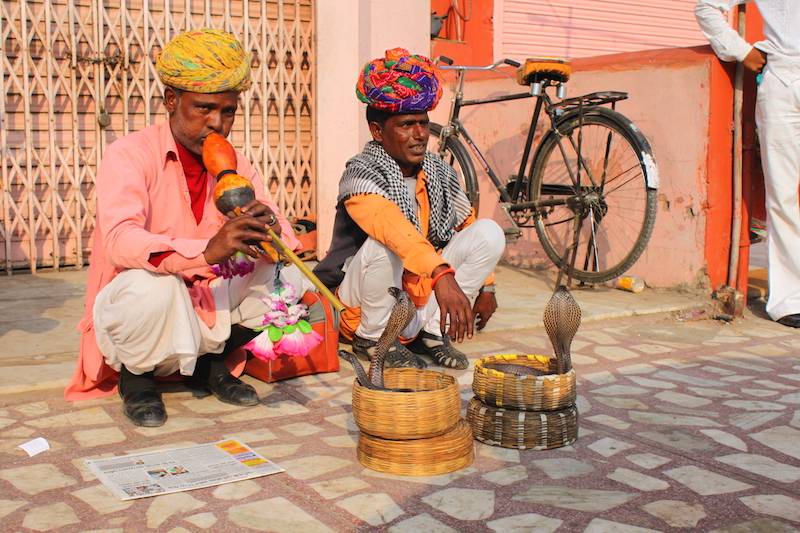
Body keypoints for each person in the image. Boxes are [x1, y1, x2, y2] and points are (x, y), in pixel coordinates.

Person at [65, 28, 305, 427]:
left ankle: (212, 366)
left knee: (288, 275)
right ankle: (137, 379)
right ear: (171, 101)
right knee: (152, 283)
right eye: (204, 108)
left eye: (228, 111)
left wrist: (269, 228)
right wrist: (205, 253)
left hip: (208, 305)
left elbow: (287, 243)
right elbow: (121, 240)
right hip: (142, 305)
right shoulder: (128, 154)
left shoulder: (237, 165)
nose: (218, 124)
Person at [314, 48, 505, 369]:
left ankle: (431, 332)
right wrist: (442, 272)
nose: (420, 135)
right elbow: (392, 227)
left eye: (423, 124)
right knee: (386, 245)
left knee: (489, 232)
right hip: (360, 305)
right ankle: (374, 339)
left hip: (417, 297)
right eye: (406, 125)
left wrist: (487, 286)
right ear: (377, 131)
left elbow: (465, 224)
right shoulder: (360, 172)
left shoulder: (438, 170)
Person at [696, 1, 800, 328]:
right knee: (782, 197)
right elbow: (708, 7)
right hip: (784, 81)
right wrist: (741, 51)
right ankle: (788, 299)